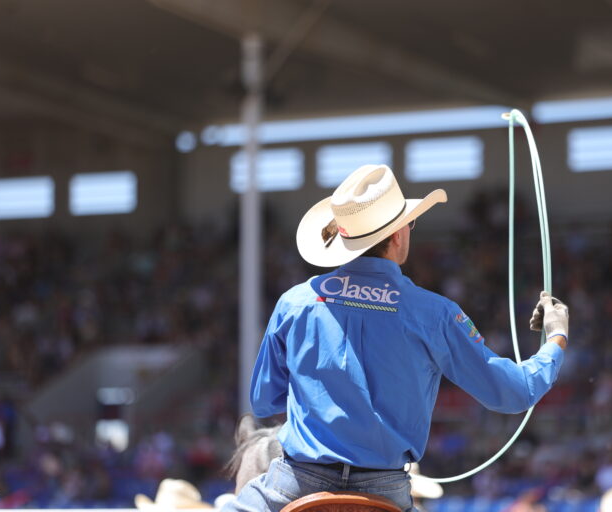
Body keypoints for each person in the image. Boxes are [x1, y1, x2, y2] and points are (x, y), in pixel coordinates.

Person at [223, 164, 569, 512]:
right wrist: (555, 339)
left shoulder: (295, 302)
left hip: (296, 483)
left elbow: (264, 402)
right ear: (399, 233)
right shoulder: (435, 312)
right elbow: (513, 393)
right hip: (386, 491)